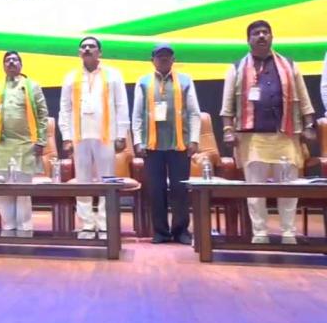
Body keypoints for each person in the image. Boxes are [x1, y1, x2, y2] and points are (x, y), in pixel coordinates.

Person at [221, 20, 317, 243]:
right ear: (248, 40)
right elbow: (227, 106)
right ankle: (260, 232)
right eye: (256, 33)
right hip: (252, 138)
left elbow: (304, 100)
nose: (262, 36)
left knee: (288, 188)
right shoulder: (236, 68)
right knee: (255, 189)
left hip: (286, 135)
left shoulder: (290, 65)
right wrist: (227, 130)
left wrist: (309, 126)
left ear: (272, 37)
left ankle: (288, 232)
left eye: (266, 32)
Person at [59, 37, 130, 239]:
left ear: (100, 52)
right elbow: (65, 108)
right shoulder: (70, 77)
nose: (87, 49)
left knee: (107, 180)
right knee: (83, 182)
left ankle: (106, 224)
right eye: (84, 47)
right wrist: (66, 136)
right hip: (80, 136)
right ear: (79, 52)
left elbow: (121, 105)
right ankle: (87, 225)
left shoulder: (113, 75)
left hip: (106, 135)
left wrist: (121, 134)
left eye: (92, 46)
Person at [132, 44, 201, 244]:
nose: (163, 59)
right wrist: (137, 141)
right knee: (156, 189)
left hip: (179, 144)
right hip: (152, 146)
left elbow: (194, 112)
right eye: (159, 56)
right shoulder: (143, 82)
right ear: (152, 60)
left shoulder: (185, 80)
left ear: (173, 59)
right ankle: (160, 232)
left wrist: (194, 139)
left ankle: (181, 231)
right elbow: (137, 115)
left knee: (180, 190)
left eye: (167, 56)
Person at [0, 51, 48, 234]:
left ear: (21, 64)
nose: (11, 62)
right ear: (3, 66)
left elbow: (42, 115)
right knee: (3, 188)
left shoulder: (32, 86)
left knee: (22, 188)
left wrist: (41, 141)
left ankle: (24, 227)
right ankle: (8, 226)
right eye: (7, 60)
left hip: (25, 144)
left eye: (15, 59)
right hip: (1, 145)